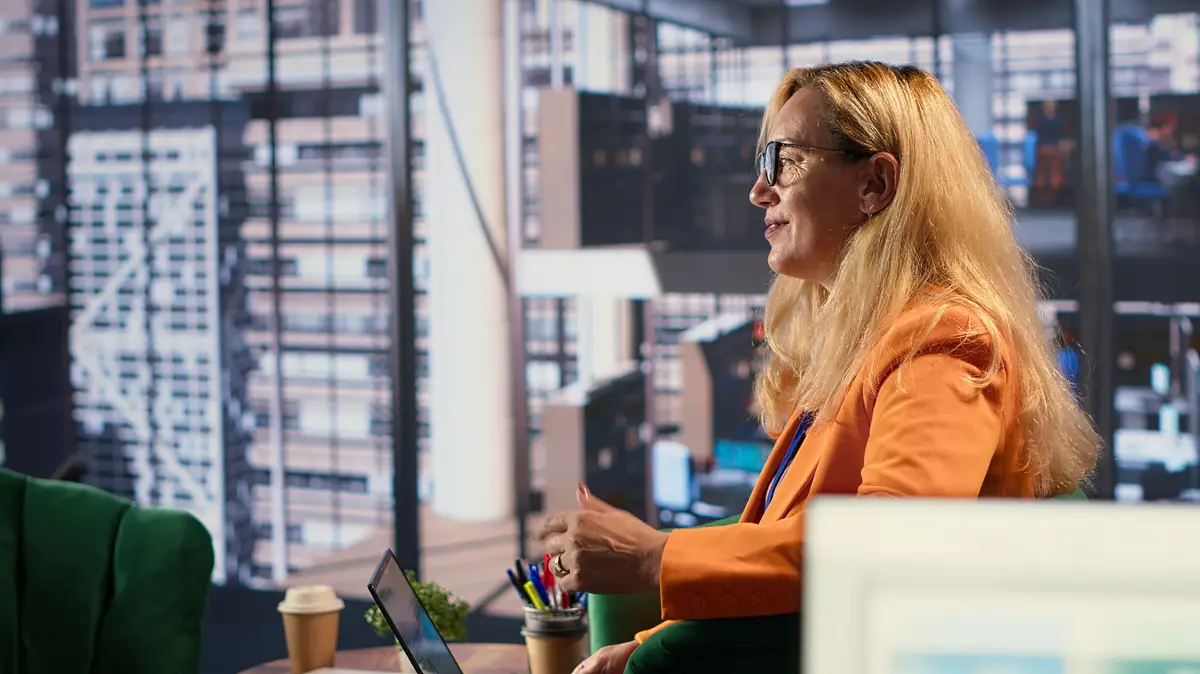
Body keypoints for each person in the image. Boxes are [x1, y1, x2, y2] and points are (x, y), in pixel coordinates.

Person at [539, 61, 1100, 674]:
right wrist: (645, 646)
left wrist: (656, 558)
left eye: (784, 160)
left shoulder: (943, 339)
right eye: (762, 164)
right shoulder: (866, 338)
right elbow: (786, 544)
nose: (760, 191)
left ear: (876, 186)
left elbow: (889, 547)